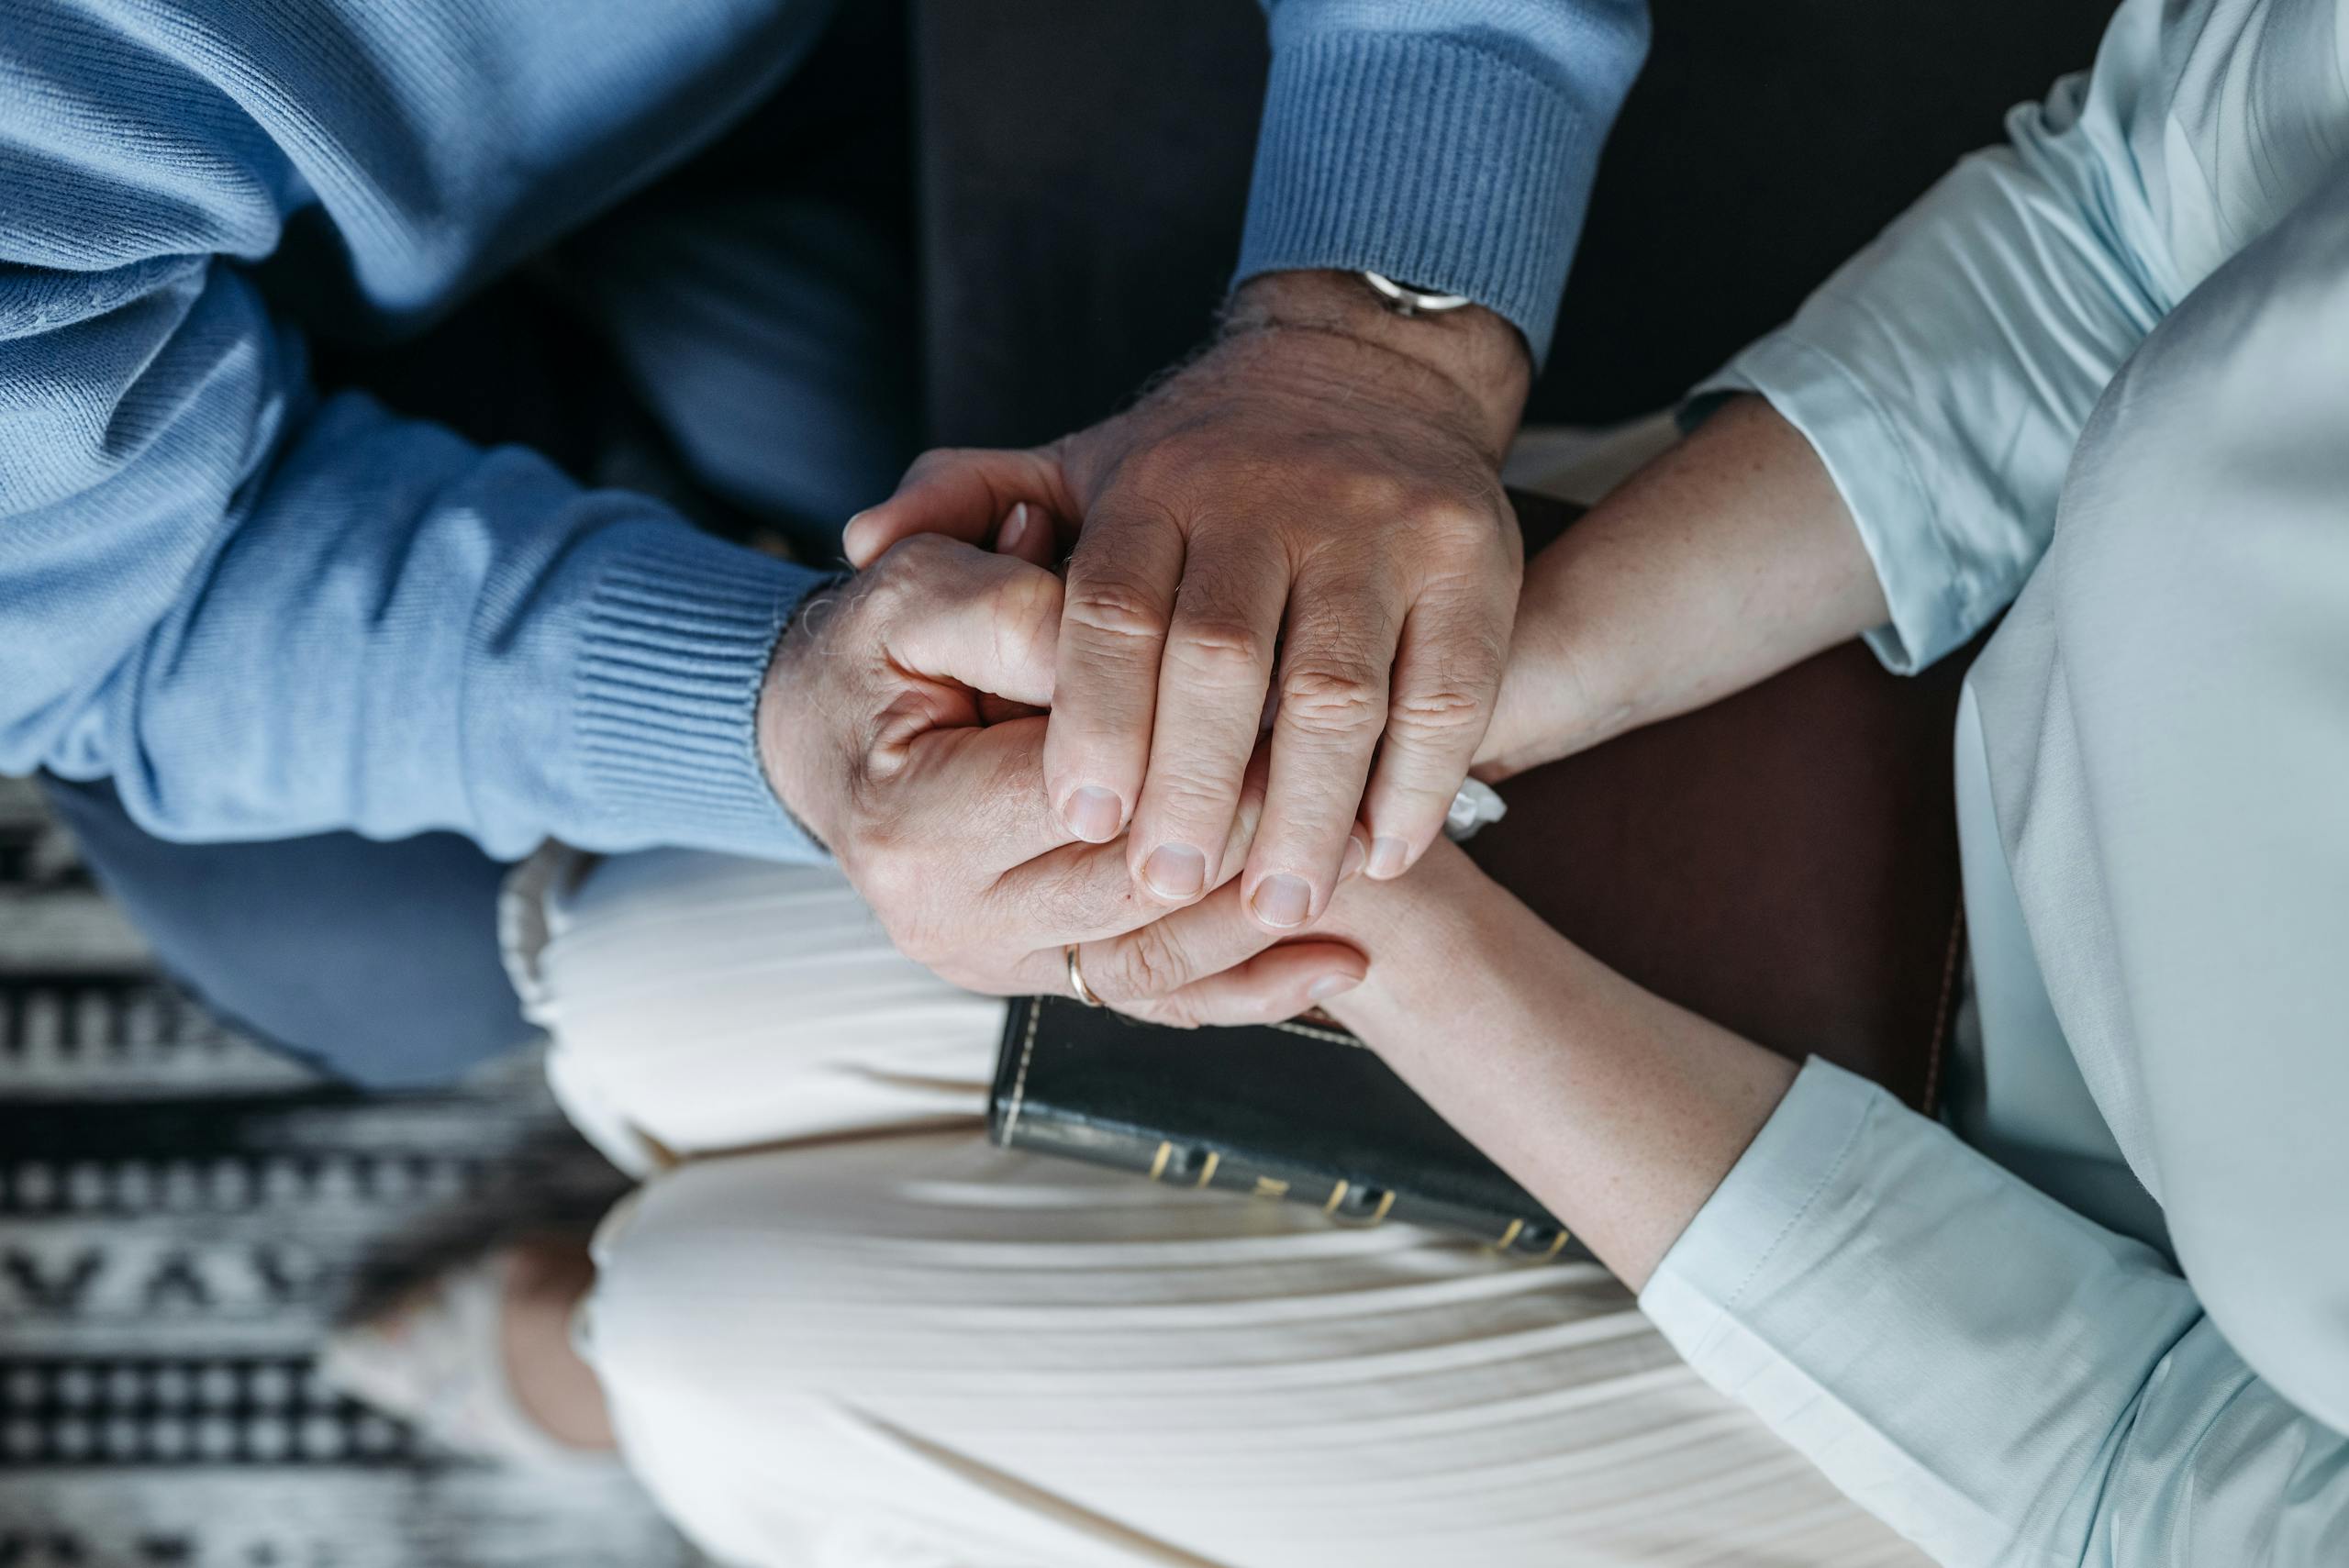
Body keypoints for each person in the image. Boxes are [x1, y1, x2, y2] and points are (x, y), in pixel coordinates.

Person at [334, 0, 2349, 1562]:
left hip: (2041, 1376)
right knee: (643, 979)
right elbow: (2127, 225)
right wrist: (1479, 695)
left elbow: (2133, 1486)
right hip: (1868, 646)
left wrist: (1374, 913)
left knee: (722, 1347)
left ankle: (631, 1396)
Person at [0, 0, 1646, 1082]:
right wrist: (777, 718)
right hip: (147, 422)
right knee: (381, 956)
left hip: (785, 62)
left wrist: (1371, 335)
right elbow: (134, 629)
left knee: (965, 472)